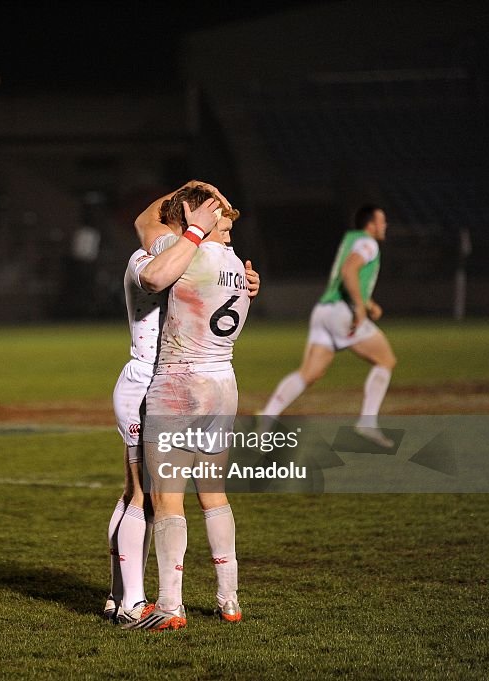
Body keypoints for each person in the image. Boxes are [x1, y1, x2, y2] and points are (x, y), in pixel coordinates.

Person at [105, 182, 260, 626]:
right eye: (223, 224)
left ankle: (154, 603)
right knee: (185, 495)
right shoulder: (231, 264)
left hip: (174, 380)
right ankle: (218, 597)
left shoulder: (176, 249)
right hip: (218, 382)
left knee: (156, 498)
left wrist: (194, 214)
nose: (226, 233)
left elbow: (146, 230)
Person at [260, 204, 397, 447]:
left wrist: (368, 302)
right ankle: (367, 423)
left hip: (323, 310)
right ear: (370, 224)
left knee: (309, 374)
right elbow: (349, 271)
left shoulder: (351, 239)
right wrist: (360, 307)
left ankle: (267, 416)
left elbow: (348, 276)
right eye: (382, 221)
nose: (385, 225)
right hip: (342, 312)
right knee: (386, 360)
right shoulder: (368, 243)